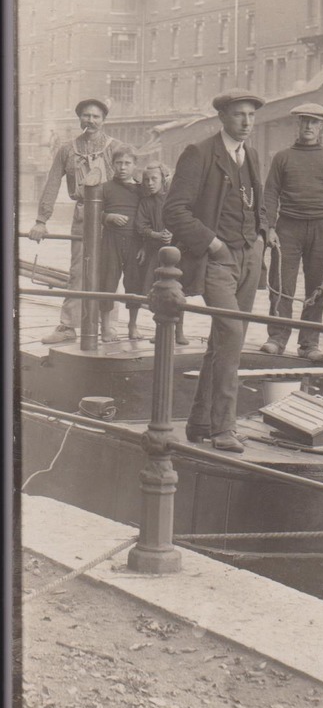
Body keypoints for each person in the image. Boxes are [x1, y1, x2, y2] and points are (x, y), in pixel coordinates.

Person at [163, 90, 267, 453]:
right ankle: (224, 428)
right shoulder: (199, 154)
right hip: (217, 260)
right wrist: (213, 243)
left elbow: (258, 203)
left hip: (249, 257)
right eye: (239, 115)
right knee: (232, 335)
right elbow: (174, 211)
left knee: (224, 341)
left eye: (251, 116)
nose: (246, 122)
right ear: (222, 116)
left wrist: (261, 238)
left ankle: (200, 421)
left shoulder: (250, 155)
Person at [28, 98, 122, 344]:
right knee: (77, 271)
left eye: (96, 116)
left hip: (112, 218)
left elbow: (129, 182)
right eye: (86, 116)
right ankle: (67, 326)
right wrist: (41, 219)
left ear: (104, 120)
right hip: (82, 217)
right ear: (79, 118)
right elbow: (52, 182)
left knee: (110, 272)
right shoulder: (66, 150)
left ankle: (109, 327)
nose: (90, 121)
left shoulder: (116, 147)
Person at [260, 102, 323, 364]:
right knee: (280, 284)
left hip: (322, 228)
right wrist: (270, 228)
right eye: (304, 121)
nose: (308, 126)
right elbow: (270, 194)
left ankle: (309, 344)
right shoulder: (282, 157)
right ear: (297, 125)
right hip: (288, 227)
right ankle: (277, 338)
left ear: (321, 127)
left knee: (316, 289)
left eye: (314, 122)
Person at [135, 163, 188, 346]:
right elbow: (140, 226)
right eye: (146, 180)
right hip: (156, 254)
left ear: (163, 179)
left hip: (176, 252)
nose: (150, 183)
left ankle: (179, 332)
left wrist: (173, 233)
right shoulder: (146, 202)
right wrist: (156, 235)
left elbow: (184, 221)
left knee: (178, 292)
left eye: (154, 179)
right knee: (158, 291)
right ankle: (160, 330)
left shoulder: (174, 200)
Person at [98, 145, 143, 343]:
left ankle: (133, 325)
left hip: (135, 242)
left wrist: (143, 246)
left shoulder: (142, 189)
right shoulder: (105, 188)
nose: (123, 167)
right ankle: (105, 327)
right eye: (119, 163)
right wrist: (108, 216)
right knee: (107, 282)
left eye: (127, 163)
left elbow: (150, 215)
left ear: (135, 166)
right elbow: (90, 214)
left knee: (134, 283)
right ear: (112, 164)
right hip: (110, 241)